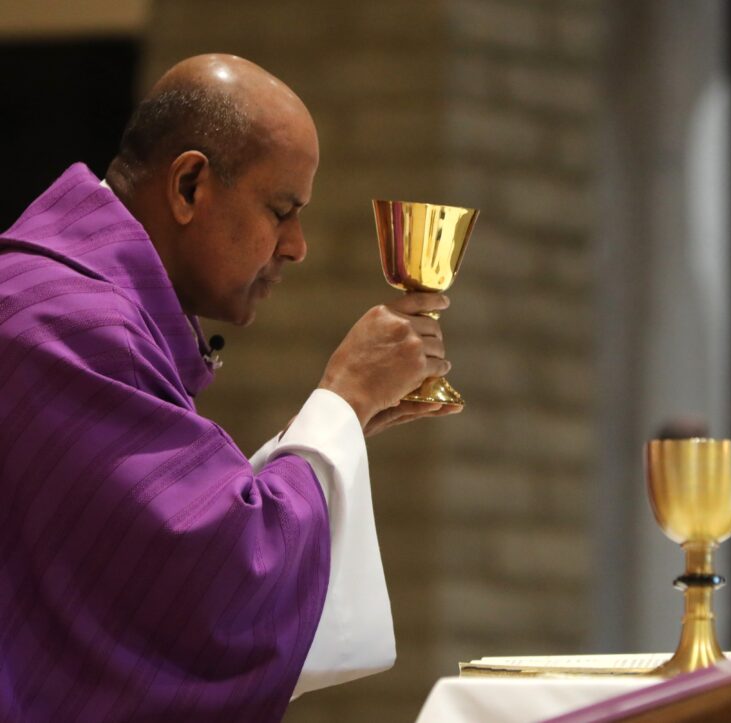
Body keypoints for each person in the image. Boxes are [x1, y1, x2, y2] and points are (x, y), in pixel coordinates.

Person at [0, 54, 457, 721]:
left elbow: (150, 546)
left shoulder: (71, 299)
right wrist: (344, 395)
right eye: (281, 210)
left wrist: (338, 427)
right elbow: (214, 586)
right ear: (189, 185)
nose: (296, 245)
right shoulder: (64, 322)